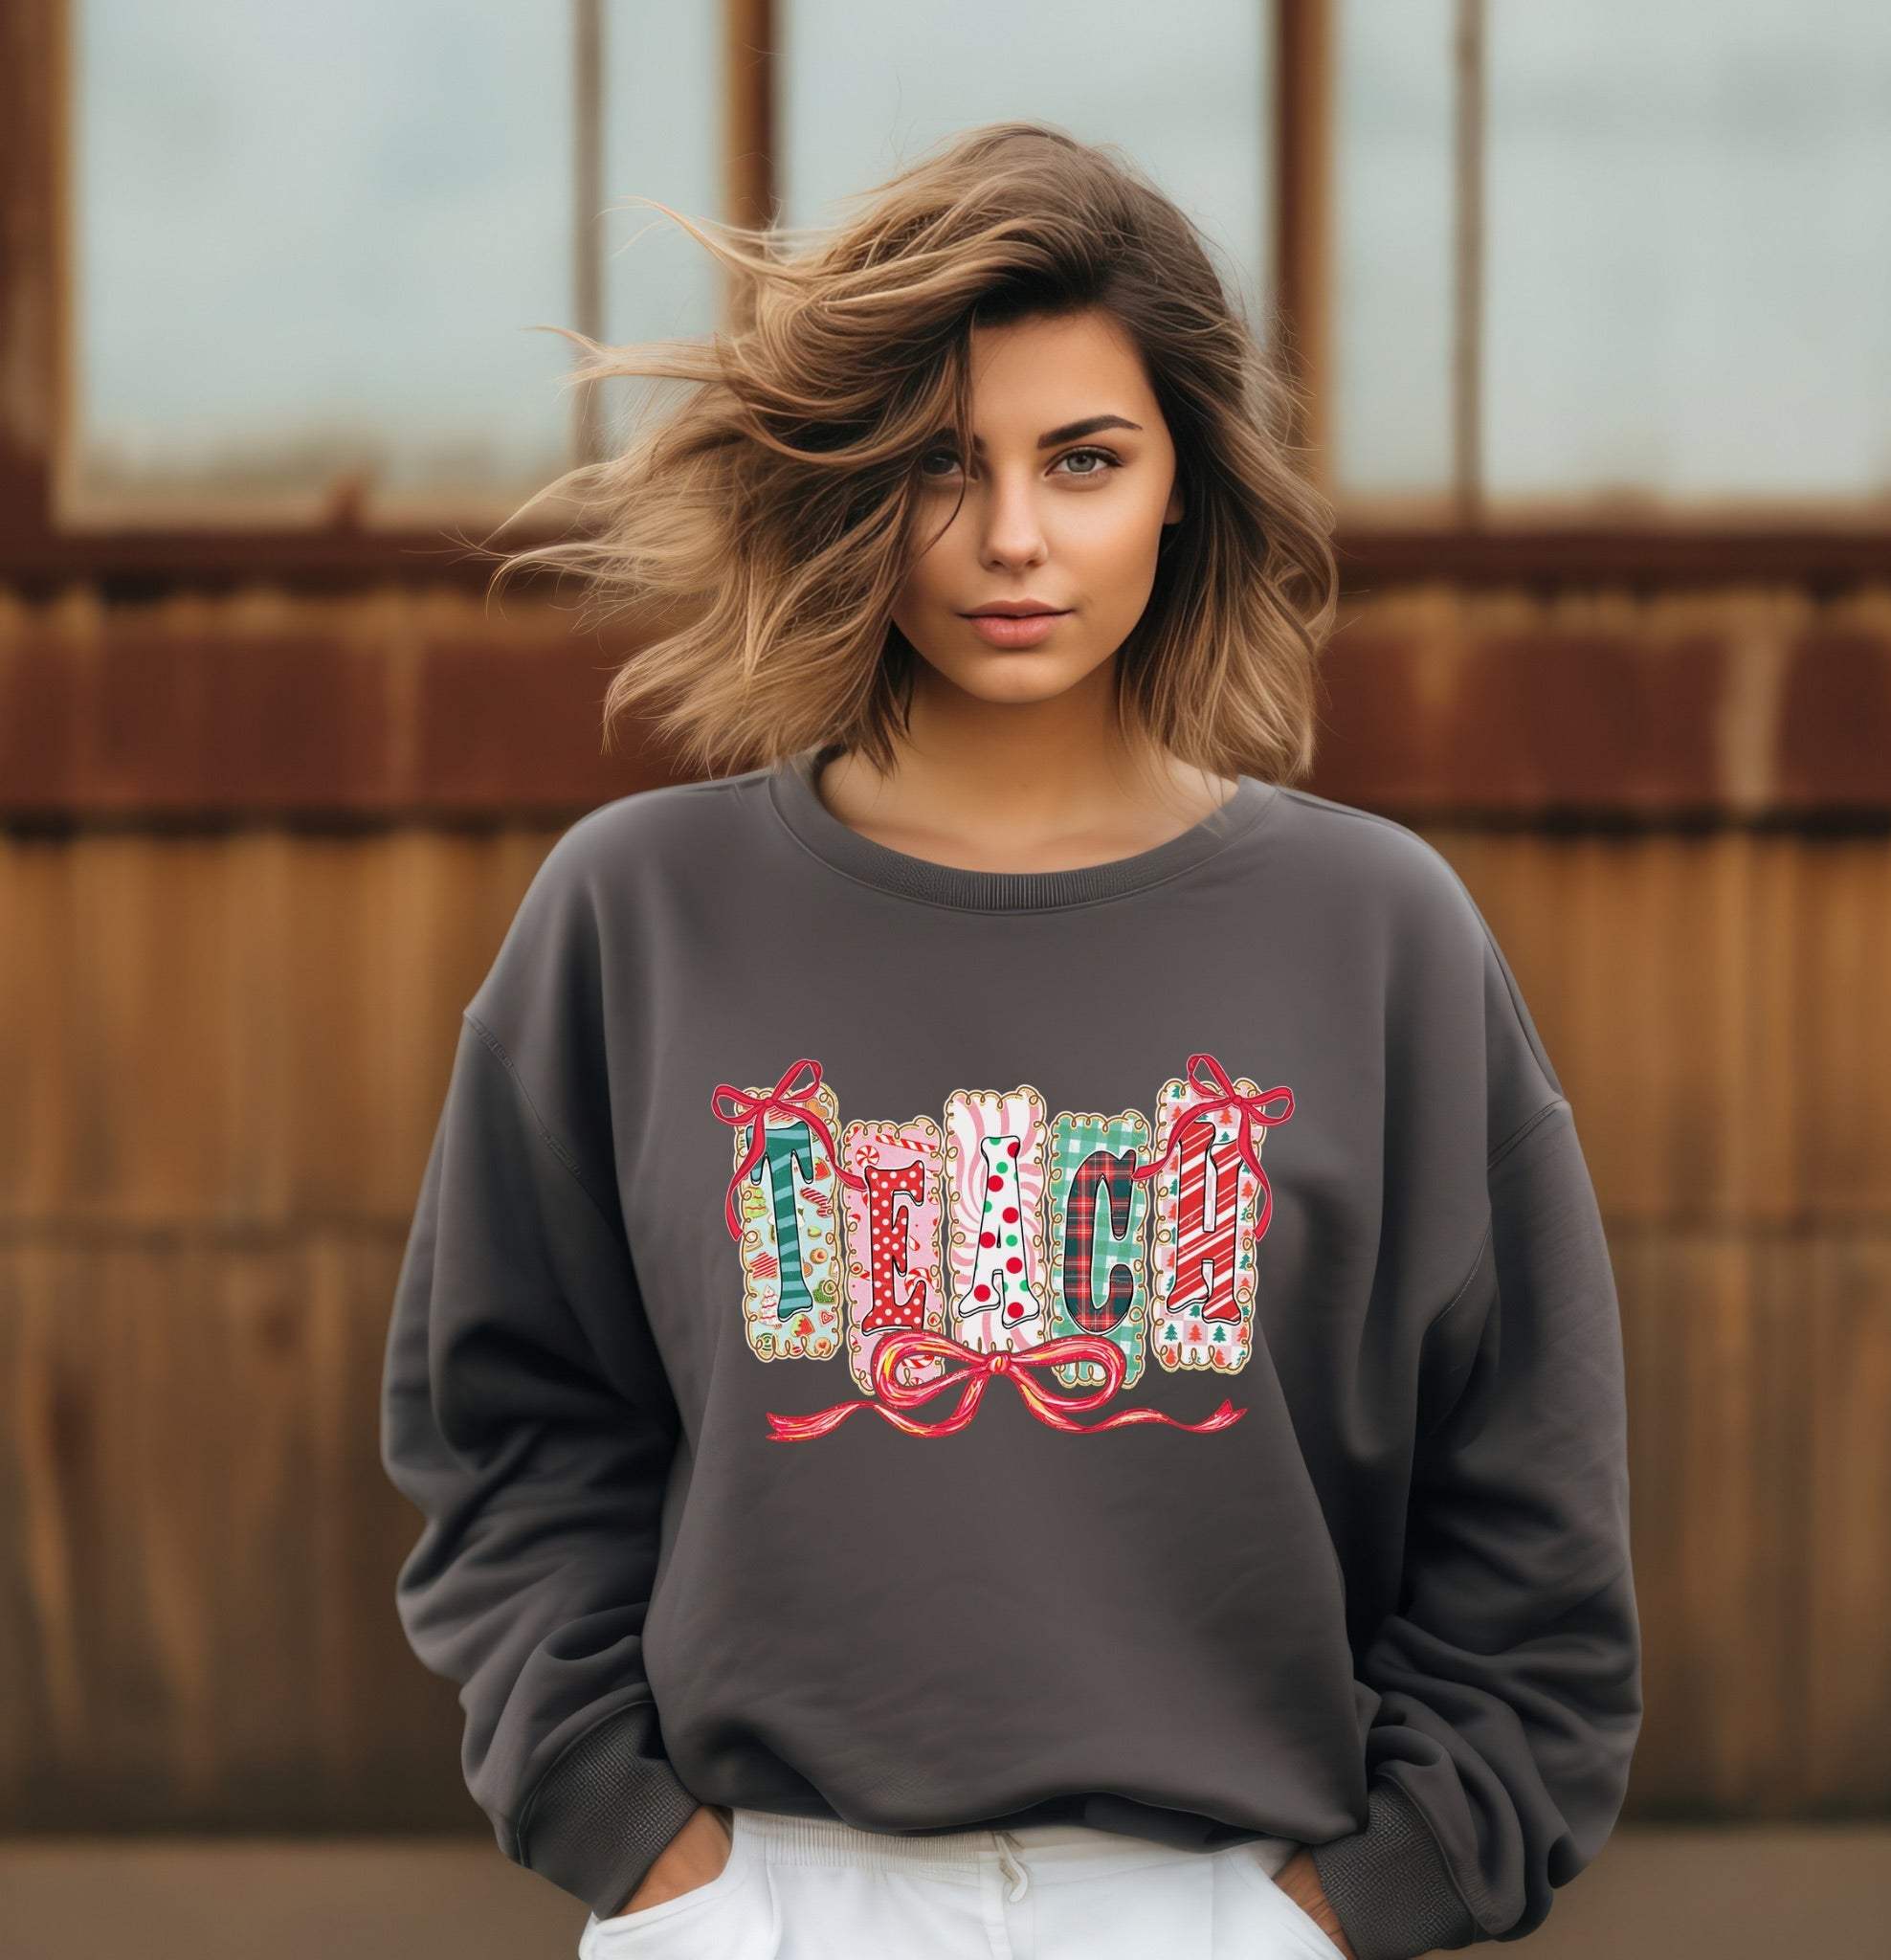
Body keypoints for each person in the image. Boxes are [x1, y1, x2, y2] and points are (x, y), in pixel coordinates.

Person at [380, 122, 1640, 1960]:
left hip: (1231, 1905)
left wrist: (1349, 1907)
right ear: (850, 485)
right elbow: (508, 1430)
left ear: (1184, 488)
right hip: (760, 1899)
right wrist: (646, 1851)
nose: (1014, 538)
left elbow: (1530, 1500)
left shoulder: (1379, 937)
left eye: (1086, 459)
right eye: (941, 468)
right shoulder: (636, 912)